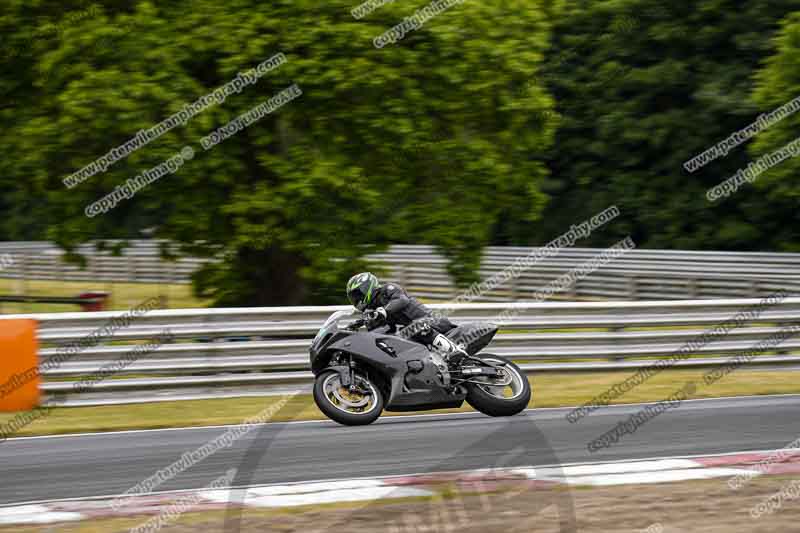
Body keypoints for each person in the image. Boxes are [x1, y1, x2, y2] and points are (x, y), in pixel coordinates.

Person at [345, 272, 468, 364]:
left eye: (357, 294)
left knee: (416, 327)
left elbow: (402, 300)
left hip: (433, 321)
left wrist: (384, 311)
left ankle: (455, 352)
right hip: (416, 333)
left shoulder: (388, 289)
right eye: (353, 297)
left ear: (367, 287)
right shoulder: (373, 311)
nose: (356, 299)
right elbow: (380, 333)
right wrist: (353, 327)